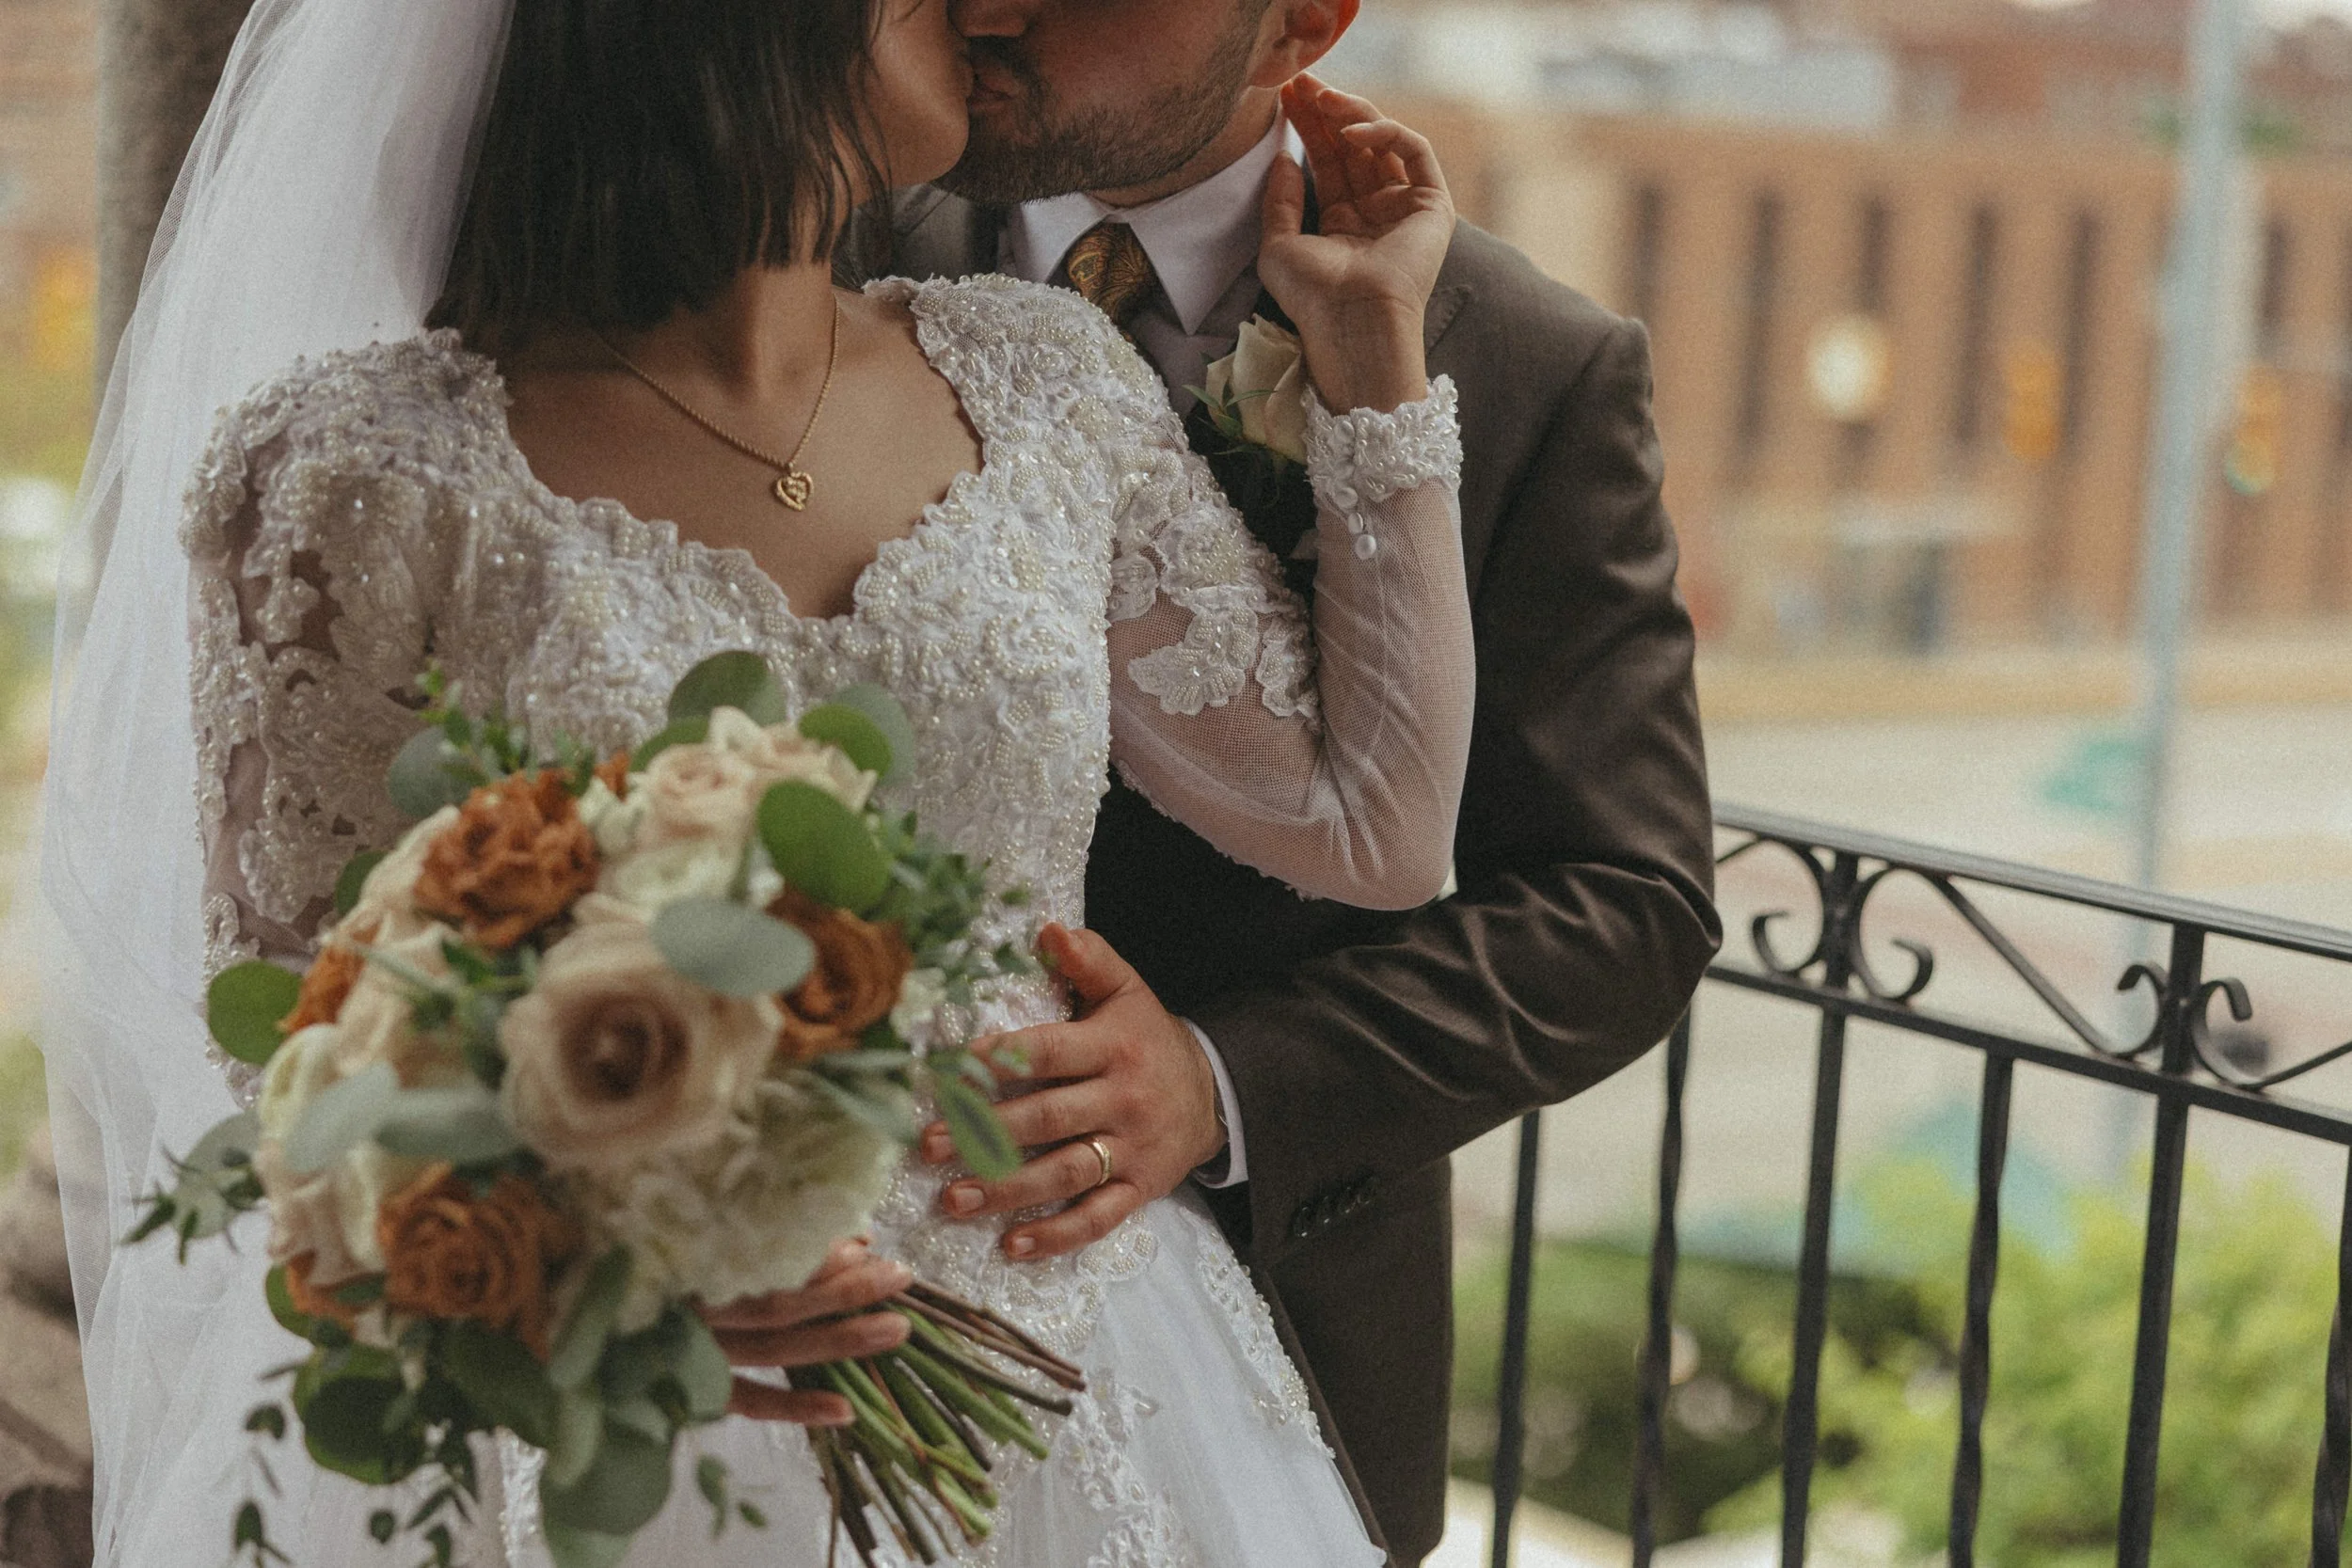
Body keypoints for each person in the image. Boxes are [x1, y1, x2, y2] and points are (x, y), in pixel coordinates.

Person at [41, 0, 1483, 1562]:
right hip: (631, 1416)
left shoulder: (1043, 380)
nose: (996, 4)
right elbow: (300, 1051)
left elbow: (1375, 825)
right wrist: (593, 1268)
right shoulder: (358, 479)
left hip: (1085, 1383)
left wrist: (1373, 360)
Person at [846, 0, 1722, 1559]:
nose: (994, 5)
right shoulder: (819, 245)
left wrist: (1218, 1080)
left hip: (1257, 1355)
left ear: (1300, 24)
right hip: (822, 1289)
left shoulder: (1527, 364)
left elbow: (1625, 906)